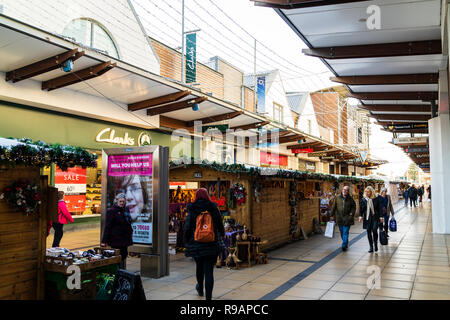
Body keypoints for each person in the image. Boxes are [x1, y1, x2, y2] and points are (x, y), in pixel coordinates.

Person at [184, 188, 225, 300]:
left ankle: (200, 289)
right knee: (209, 271)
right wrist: (222, 233)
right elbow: (219, 224)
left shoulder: (192, 209)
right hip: (211, 244)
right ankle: (208, 297)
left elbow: (187, 227)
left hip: (196, 244)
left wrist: (187, 240)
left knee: (199, 267)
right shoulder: (213, 208)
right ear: (207, 195)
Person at [101, 193, 133, 269]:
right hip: (116, 239)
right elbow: (108, 226)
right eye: (120, 201)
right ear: (117, 201)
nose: (122, 203)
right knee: (117, 256)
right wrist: (104, 241)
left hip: (124, 238)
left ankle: (120, 272)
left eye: (123, 201)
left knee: (124, 255)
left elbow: (128, 223)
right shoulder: (112, 211)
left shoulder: (125, 210)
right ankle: (117, 272)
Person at [330, 186, 356, 252]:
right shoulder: (337, 197)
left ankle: (344, 245)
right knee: (342, 232)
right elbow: (334, 207)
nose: (345, 191)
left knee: (345, 232)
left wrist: (351, 214)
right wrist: (331, 215)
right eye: (344, 189)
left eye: (346, 190)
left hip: (347, 218)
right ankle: (345, 242)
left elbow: (354, 207)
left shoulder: (350, 199)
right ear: (342, 190)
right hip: (340, 218)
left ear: (348, 191)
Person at [359, 186, 383, 253]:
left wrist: (381, 217)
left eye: (368, 191)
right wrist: (360, 216)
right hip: (367, 218)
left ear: (371, 192)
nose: (367, 193)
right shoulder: (363, 199)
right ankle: (371, 247)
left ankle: (375, 244)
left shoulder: (376, 199)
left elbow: (379, 208)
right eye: (366, 191)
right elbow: (361, 209)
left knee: (374, 230)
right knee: (368, 232)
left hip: (375, 217)